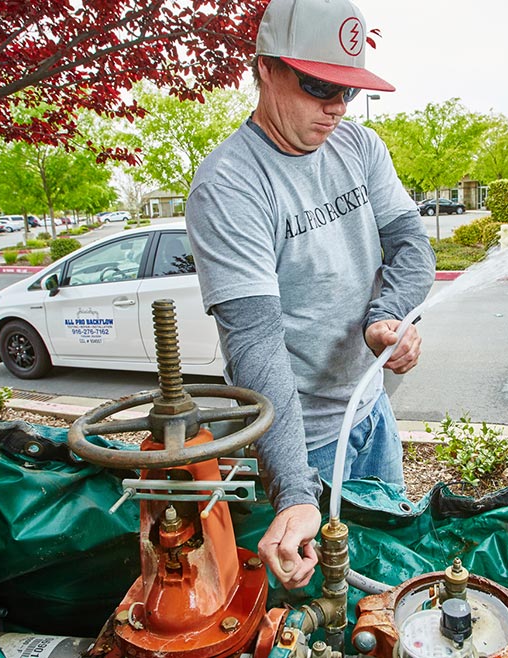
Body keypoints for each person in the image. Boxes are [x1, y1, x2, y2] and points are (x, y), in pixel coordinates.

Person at [185, 0, 435, 590]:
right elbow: (255, 345)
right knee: (325, 600)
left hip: (372, 415)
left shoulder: (359, 146)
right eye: (318, 84)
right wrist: (295, 492)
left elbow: (410, 246)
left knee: (386, 583)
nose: (335, 107)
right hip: (306, 446)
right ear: (265, 69)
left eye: (347, 89)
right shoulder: (230, 186)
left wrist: (387, 316)